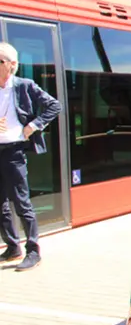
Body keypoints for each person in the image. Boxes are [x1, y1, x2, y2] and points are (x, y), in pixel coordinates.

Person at [0, 42, 62, 271]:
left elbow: (54, 106)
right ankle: (12, 247)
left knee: (21, 202)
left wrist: (34, 125)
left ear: (12, 65)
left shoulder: (24, 86)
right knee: (1, 205)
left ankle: (33, 252)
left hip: (14, 152)